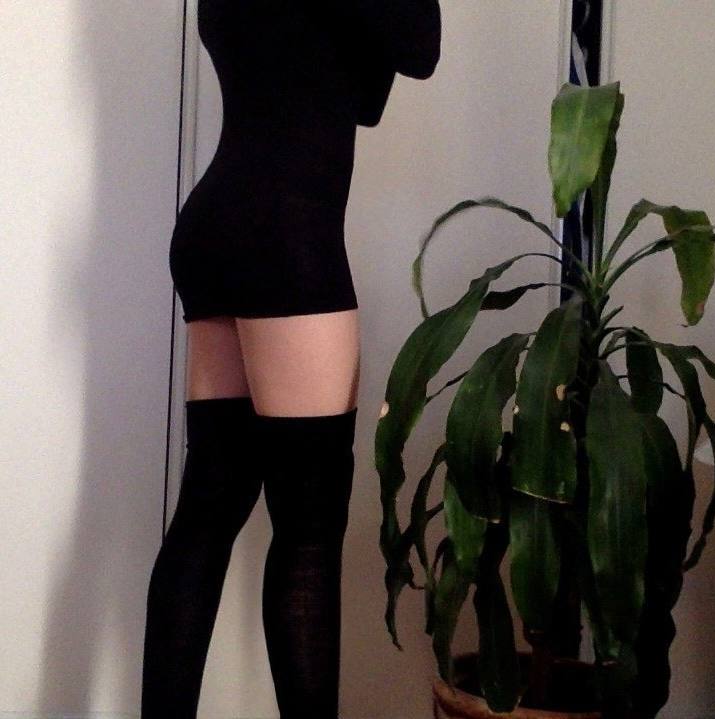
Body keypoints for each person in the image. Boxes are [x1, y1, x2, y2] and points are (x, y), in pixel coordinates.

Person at [140, 1, 441, 717]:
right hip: (287, 231)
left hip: (218, 225)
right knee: (308, 529)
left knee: (210, 503)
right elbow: (422, 46)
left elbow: (362, 96)